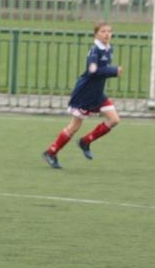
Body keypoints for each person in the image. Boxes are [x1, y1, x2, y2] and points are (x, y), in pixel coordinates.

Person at [42, 22, 122, 169]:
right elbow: (93, 70)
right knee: (75, 126)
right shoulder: (95, 51)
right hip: (85, 94)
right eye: (103, 31)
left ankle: (85, 141)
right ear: (96, 34)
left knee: (114, 119)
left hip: (97, 94)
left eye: (109, 31)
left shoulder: (109, 49)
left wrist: (111, 71)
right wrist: (113, 71)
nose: (107, 34)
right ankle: (51, 152)